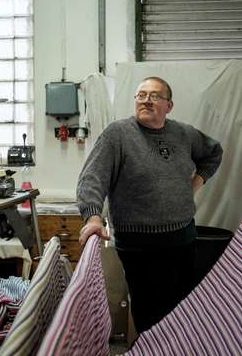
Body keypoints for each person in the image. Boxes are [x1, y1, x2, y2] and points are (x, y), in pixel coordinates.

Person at [77, 76, 223, 334]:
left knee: (182, 310)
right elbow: (92, 177)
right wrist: (93, 217)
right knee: (149, 314)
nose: (146, 100)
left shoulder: (184, 134)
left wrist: (195, 185)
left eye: (154, 95)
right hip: (138, 246)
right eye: (141, 95)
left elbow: (214, 152)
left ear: (169, 105)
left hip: (183, 240)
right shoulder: (118, 134)